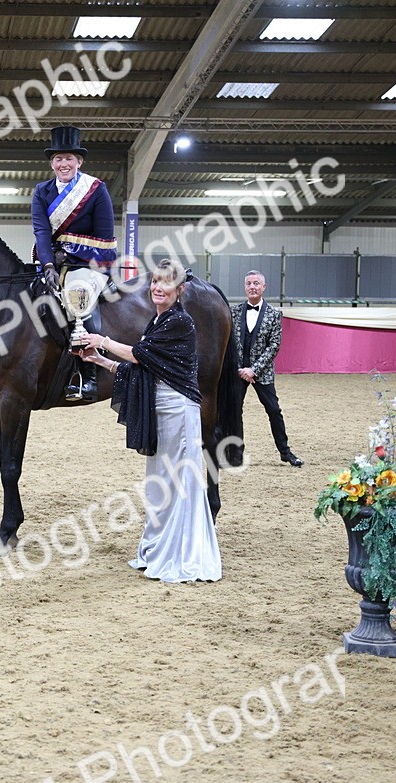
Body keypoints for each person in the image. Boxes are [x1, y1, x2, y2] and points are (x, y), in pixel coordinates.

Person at [76, 261, 221, 583]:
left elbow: (139, 355)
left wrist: (103, 342)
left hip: (178, 413)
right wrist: (99, 361)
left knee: (178, 486)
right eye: (155, 281)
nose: (157, 287)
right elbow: (144, 369)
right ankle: (158, 549)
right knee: (160, 487)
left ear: (179, 290)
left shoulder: (180, 321)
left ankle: (180, 555)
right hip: (163, 411)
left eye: (165, 284)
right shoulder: (159, 320)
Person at [31, 125, 118, 401]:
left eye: (69, 158)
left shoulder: (95, 189)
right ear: (52, 163)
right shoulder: (41, 192)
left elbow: (104, 240)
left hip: (89, 264)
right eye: (58, 159)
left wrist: (69, 253)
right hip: (52, 263)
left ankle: (88, 375)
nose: (63, 163)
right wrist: (47, 265)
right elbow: (42, 232)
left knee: (77, 297)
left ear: (79, 161)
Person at [232, 271, 303, 467]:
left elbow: (274, 346)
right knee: (233, 412)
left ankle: (285, 452)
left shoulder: (273, 314)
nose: (252, 287)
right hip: (237, 373)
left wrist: (253, 370)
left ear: (264, 287)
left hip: (261, 374)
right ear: (245, 287)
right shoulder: (234, 311)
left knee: (274, 411)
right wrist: (239, 369)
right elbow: (228, 343)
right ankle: (236, 454)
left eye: (256, 283)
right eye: (248, 283)